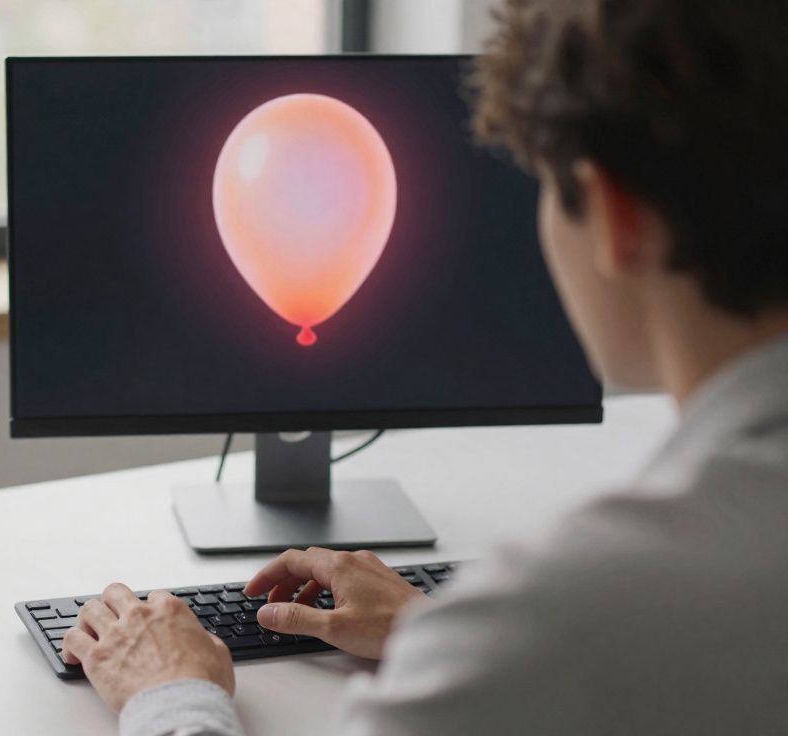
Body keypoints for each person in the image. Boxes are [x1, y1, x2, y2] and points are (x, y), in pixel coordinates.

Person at [60, 1, 788, 733]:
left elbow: (575, 648)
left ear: (615, 215)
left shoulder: (571, 611)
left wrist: (172, 692)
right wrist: (440, 635)